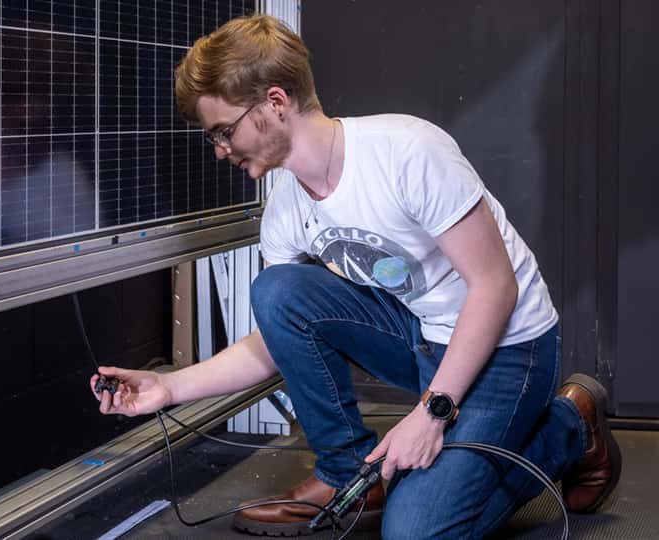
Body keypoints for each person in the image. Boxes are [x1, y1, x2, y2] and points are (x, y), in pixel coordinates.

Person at [90, 14, 621, 539]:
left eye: (224, 131)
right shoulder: (285, 210)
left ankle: (568, 426)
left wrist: (433, 412)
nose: (220, 149)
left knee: (416, 532)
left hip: (511, 347)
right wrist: (168, 387)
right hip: (423, 338)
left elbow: (496, 287)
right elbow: (276, 340)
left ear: (275, 104)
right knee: (278, 293)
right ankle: (348, 476)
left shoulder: (406, 151)